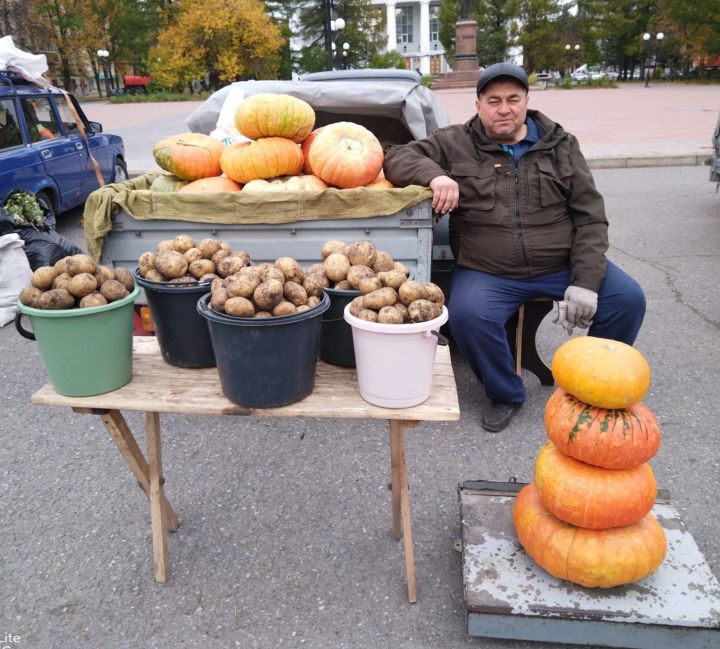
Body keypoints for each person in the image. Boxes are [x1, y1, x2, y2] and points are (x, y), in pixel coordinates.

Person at [383, 62, 645, 432]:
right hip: (488, 269)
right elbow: (395, 156)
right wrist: (436, 175)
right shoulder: (454, 141)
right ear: (478, 106)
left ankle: (596, 384)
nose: (503, 108)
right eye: (493, 101)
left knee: (628, 300)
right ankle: (505, 392)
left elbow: (590, 218)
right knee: (467, 316)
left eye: (512, 99)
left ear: (526, 102)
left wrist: (585, 281)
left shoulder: (561, 145)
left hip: (561, 263)